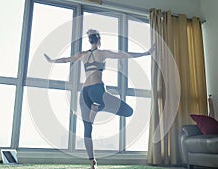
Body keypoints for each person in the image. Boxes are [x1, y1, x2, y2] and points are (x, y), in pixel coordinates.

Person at [44, 29, 153, 169]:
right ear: (99, 40)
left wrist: (51, 60)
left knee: (87, 128)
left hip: (84, 93)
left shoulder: (82, 55)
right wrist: (146, 53)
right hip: (97, 90)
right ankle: (99, 107)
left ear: (90, 40)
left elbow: (66, 60)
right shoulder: (102, 53)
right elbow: (125, 55)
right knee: (128, 111)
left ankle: (92, 162)